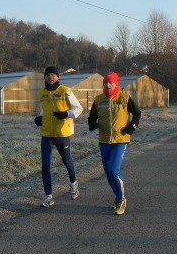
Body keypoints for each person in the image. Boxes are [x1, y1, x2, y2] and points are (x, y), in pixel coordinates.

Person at [87, 72, 141, 215]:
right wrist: (92, 124)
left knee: (113, 170)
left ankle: (121, 199)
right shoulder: (99, 100)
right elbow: (92, 117)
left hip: (120, 139)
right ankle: (118, 197)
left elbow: (137, 113)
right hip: (104, 140)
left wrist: (132, 126)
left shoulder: (124, 98)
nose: (107, 85)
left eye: (110, 82)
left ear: (116, 84)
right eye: (105, 82)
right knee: (108, 173)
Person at [34, 66, 83, 208]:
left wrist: (66, 114)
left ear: (58, 77)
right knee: (45, 165)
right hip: (46, 134)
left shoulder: (65, 91)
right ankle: (48, 196)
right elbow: (44, 110)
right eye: (48, 75)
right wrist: (39, 118)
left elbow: (78, 108)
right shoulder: (41, 93)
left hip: (62, 132)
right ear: (45, 77)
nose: (51, 77)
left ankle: (73, 183)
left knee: (67, 161)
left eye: (53, 75)